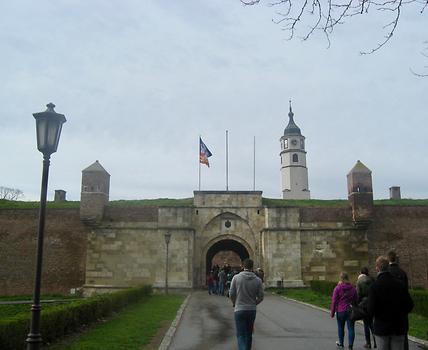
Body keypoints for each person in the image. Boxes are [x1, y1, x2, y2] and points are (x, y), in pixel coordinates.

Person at [367, 256, 413, 350]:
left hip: (382, 327)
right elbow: (409, 305)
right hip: (398, 326)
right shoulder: (400, 284)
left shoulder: (374, 286)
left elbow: (370, 310)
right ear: (388, 267)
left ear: (377, 268)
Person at [229, 258, 264, 350]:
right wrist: (254, 303)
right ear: (252, 267)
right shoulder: (258, 280)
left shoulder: (236, 278)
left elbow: (231, 293)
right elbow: (261, 297)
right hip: (252, 310)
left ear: (242, 266)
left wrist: (234, 302)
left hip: (239, 309)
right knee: (249, 334)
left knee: (241, 335)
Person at [387, 250, 410, 350]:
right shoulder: (402, 273)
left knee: (389, 337)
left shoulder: (386, 273)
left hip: (388, 309)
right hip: (401, 310)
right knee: (403, 335)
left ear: (388, 259)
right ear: (396, 259)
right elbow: (406, 292)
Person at [330, 271, 358, 350]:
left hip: (340, 310)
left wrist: (332, 312)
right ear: (347, 278)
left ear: (341, 278)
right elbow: (356, 299)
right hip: (350, 310)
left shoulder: (337, 288)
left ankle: (341, 344)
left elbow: (334, 301)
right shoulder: (353, 288)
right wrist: (355, 307)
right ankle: (350, 347)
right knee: (351, 328)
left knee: (340, 327)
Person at [356, 267, 376, 349]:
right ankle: (376, 341)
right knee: (372, 324)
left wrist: (357, 304)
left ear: (361, 272)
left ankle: (368, 343)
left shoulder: (359, 281)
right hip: (372, 303)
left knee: (366, 324)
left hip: (364, 305)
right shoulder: (372, 280)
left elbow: (358, 294)